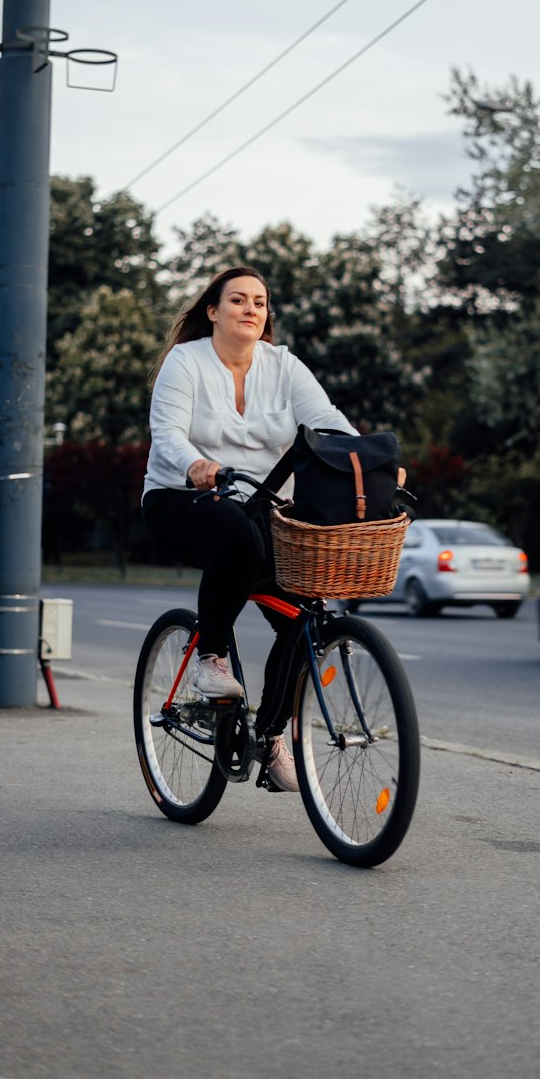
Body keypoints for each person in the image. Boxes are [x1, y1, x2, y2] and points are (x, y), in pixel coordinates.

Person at [142, 265, 358, 792]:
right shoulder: (186, 362)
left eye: (260, 302)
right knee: (237, 540)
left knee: (304, 616)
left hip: (264, 509)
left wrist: (364, 460)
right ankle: (211, 658)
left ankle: (271, 734)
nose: (251, 309)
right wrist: (195, 464)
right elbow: (166, 431)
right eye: (238, 300)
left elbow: (327, 421)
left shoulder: (283, 366)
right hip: (182, 499)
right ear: (213, 312)